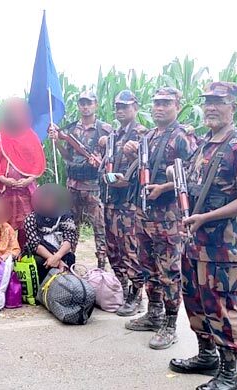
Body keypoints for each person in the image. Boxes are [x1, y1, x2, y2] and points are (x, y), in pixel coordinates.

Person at [168, 82, 237, 390]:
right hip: (193, 241)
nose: (211, 107)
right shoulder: (203, 144)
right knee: (195, 301)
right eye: (207, 101)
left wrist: (207, 217)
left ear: (232, 107)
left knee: (221, 306)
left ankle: (228, 373)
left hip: (222, 246)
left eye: (218, 102)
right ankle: (207, 355)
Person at [123, 87, 197, 350]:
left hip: (169, 216)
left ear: (177, 105)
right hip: (144, 214)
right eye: (156, 103)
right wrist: (132, 154)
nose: (159, 108)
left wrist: (164, 188)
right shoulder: (151, 136)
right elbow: (145, 168)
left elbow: (192, 172)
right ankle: (153, 313)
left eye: (165, 103)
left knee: (169, 272)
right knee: (147, 266)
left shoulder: (182, 136)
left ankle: (170, 324)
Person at [48, 91, 112, 270]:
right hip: (73, 185)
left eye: (89, 103)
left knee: (99, 228)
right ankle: (70, 262)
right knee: (70, 226)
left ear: (96, 104)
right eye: (82, 103)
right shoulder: (71, 129)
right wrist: (57, 142)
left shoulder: (105, 130)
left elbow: (113, 157)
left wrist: (99, 159)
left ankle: (101, 265)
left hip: (93, 187)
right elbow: (67, 156)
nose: (85, 106)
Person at [101, 90, 149, 317]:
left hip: (129, 203)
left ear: (135, 108)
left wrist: (127, 177)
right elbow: (106, 163)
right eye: (118, 107)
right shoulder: (114, 135)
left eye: (126, 107)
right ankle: (122, 288)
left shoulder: (142, 134)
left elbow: (146, 168)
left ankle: (136, 294)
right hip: (111, 200)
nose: (121, 111)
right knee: (113, 249)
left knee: (131, 250)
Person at [0, 98, 46, 247]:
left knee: (27, 225)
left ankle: (25, 258)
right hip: (5, 189)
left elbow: (37, 161)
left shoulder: (30, 135)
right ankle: (6, 259)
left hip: (25, 190)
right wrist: (2, 178)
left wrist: (29, 179)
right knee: (3, 224)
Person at [23, 184, 78, 282]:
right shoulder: (31, 218)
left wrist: (57, 257)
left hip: (60, 253)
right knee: (39, 262)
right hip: (42, 254)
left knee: (70, 258)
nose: (49, 203)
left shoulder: (65, 216)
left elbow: (69, 239)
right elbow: (35, 244)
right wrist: (56, 261)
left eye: (52, 200)